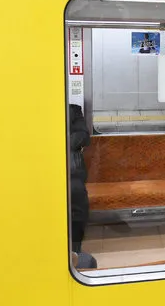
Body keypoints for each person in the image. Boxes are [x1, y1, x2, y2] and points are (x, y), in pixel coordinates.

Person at [69, 104, 90, 254]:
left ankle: (75, 250)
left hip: (72, 170)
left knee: (76, 196)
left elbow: (83, 136)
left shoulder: (73, 110)